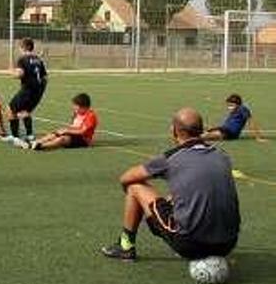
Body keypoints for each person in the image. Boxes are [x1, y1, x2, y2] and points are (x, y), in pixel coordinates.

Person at [100, 108, 240, 261]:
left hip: (190, 244)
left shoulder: (170, 158)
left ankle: (125, 246)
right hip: (228, 243)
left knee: (135, 187)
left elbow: (126, 178)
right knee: (180, 196)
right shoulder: (222, 155)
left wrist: (137, 201)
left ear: (174, 130)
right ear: (201, 130)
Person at [5, 37, 48, 143]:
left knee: (10, 109)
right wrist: (40, 89)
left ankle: (14, 136)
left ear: (24, 47)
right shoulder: (38, 60)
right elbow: (45, 78)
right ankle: (30, 135)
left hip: (27, 89)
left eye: (20, 47)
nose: (19, 49)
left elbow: (20, 74)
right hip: (38, 90)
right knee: (25, 111)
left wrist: (11, 72)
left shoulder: (22, 59)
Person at [23, 93, 98, 151]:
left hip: (83, 140)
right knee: (57, 132)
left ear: (84, 107)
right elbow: (73, 126)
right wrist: (64, 130)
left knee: (62, 139)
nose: (74, 108)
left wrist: (67, 130)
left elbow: (82, 131)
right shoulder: (77, 113)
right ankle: (37, 141)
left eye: (76, 106)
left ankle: (41, 146)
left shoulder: (90, 116)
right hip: (74, 134)